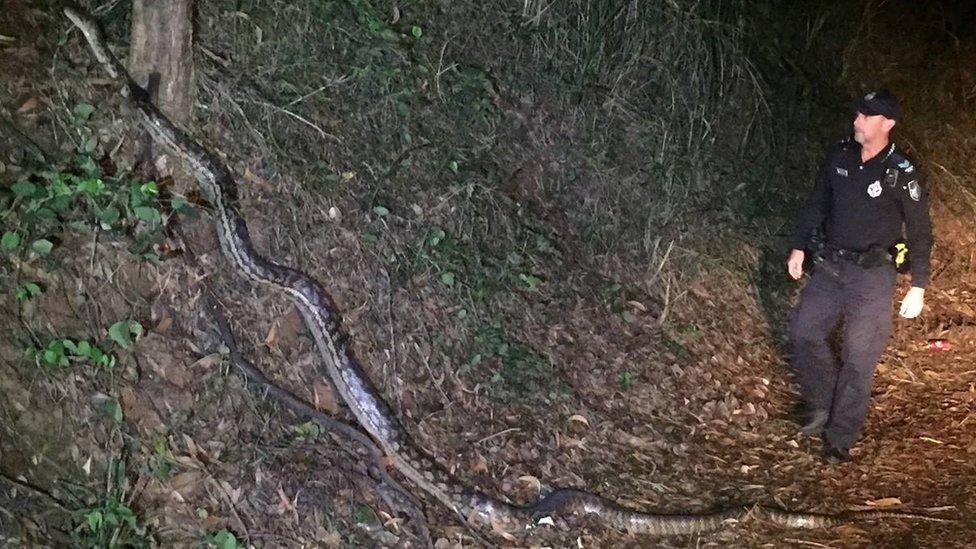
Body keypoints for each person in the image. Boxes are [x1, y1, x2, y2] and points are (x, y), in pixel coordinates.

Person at [785, 90, 932, 464]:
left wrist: (918, 284)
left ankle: (840, 436)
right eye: (857, 114)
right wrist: (799, 245)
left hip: (873, 277)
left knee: (858, 358)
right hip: (832, 267)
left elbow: (919, 230)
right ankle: (823, 402)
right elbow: (816, 202)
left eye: (865, 116)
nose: (856, 121)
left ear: (887, 123)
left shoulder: (900, 172)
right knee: (804, 332)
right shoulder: (839, 157)